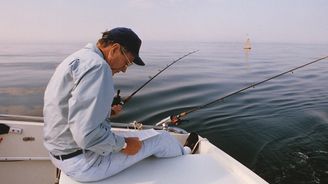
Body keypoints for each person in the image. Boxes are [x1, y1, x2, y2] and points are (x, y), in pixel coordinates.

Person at [43, 27, 198, 182]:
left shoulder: (79, 58)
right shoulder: (98, 67)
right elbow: (85, 135)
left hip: (60, 154)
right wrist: (124, 145)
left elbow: (71, 111)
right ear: (115, 49)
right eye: (127, 62)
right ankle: (186, 154)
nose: (124, 69)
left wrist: (107, 111)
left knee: (146, 137)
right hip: (84, 162)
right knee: (161, 138)